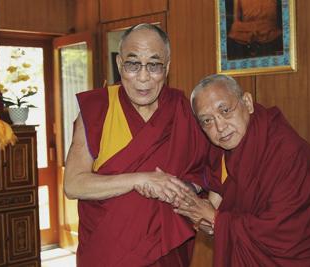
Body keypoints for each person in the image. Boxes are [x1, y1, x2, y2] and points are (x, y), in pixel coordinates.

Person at [64, 24, 208, 267]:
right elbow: (73, 184)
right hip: (108, 253)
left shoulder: (181, 109)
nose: (144, 77)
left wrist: (184, 187)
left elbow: (205, 170)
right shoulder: (97, 108)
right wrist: (140, 179)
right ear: (120, 65)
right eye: (133, 64)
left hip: (167, 252)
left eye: (154, 65)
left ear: (167, 68)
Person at [174, 74, 310, 266]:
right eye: (207, 121)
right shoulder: (224, 149)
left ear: (247, 102)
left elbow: (284, 231)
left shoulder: (289, 155)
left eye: (225, 110)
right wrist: (209, 220)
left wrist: (216, 220)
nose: (220, 127)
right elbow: (213, 187)